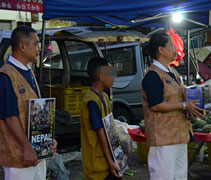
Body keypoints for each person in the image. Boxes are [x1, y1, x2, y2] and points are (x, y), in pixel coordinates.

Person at [142, 32, 203, 180]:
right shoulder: (152, 75)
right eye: (172, 46)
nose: (176, 49)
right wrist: (183, 105)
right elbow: (155, 105)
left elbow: (178, 96)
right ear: (161, 50)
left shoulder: (172, 71)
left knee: (180, 177)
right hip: (163, 139)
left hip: (179, 136)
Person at [0, 26, 57, 180]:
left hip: (37, 154)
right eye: (36, 44)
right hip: (19, 158)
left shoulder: (28, 71)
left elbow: (36, 112)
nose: (39, 49)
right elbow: (9, 116)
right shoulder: (6, 75)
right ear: (22, 46)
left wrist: (47, 139)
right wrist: (27, 147)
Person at [80, 57, 121, 180]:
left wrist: (119, 157)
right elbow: (100, 132)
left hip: (109, 159)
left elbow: (110, 128)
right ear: (101, 77)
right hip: (98, 164)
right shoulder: (91, 101)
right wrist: (110, 161)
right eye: (111, 73)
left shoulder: (104, 96)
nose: (114, 77)